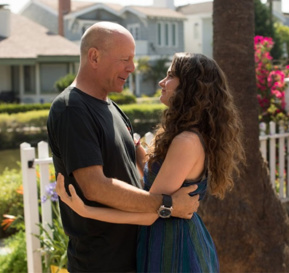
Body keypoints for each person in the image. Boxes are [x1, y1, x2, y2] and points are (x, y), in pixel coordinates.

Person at [56, 52, 246, 272]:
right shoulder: (184, 135)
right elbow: (160, 179)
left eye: (170, 76)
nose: (161, 82)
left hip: (175, 247)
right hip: (167, 240)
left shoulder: (186, 141)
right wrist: (137, 150)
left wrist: (86, 211)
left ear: (191, 87)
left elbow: (149, 215)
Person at [47, 22, 199, 273]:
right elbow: (96, 187)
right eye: (125, 59)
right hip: (102, 263)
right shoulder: (71, 109)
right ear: (94, 56)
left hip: (136, 256)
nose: (132, 67)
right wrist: (169, 204)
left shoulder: (112, 108)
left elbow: (138, 169)